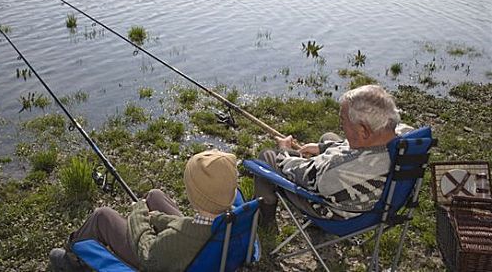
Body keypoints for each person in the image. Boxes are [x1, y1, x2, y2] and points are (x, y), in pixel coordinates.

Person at [49, 149, 238, 272]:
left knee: (102, 216)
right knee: (155, 195)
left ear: (195, 196)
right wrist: (159, 218)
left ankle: (72, 261)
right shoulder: (240, 218)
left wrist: (139, 214)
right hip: (203, 246)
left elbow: (148, 253)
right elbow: (186, 227)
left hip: (158, 261)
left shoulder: (177, 240)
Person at [254, 84, 413, 227]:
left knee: (267, 157)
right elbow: (355, 148)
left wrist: (284, 151)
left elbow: (298, 172)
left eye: (343, 121)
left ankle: (265, 220)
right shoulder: (408, 136)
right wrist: (322, 148)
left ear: (363, 131)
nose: (341, 126)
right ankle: (325, 145)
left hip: (340, 211)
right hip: (384, 200)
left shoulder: (335, 172)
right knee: (329, 136)